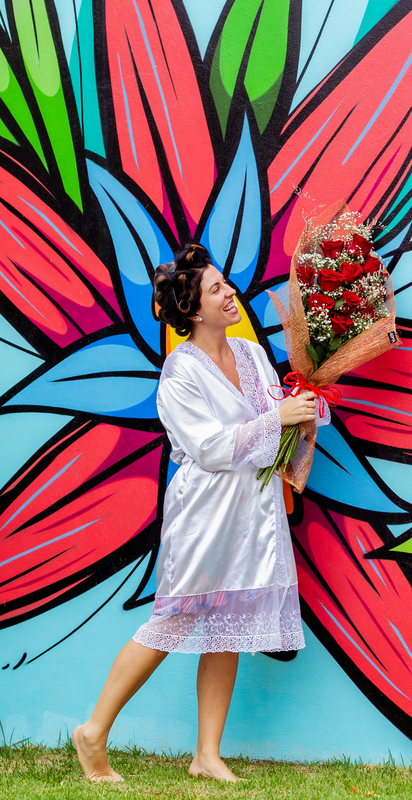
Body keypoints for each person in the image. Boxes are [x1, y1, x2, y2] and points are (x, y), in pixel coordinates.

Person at [72, 244, 325, 783]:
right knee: (174, 619)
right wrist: (276, 418)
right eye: (216, 289)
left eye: (225, 283)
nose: (229, 292)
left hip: (254, 514)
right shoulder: (179, 374)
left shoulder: (254, 356)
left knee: (228, 628)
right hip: (206, 514)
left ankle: (206, 755)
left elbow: (271, 426)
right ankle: (92, 731)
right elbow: (209, 447)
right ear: (191, 311)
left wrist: (303, 415)